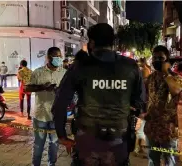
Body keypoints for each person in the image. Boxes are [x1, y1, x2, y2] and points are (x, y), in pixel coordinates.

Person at [51, 23, 145, 166]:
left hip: (87, 141)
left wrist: (62, 135)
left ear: (92, 42)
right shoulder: (131, 66)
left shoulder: (79, 67)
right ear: (112, 42)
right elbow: (140, 103)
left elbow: (60, 104)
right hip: (119, 141)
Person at [141, 45, 182, 166]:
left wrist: (166, 72)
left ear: (167, 59)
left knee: (169, 161)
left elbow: (175, 90)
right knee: (152, 160)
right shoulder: (150, 78)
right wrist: (142, 113)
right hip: (151, 128)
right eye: (154, 58)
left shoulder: (176, 78)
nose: (156, 61)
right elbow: (144, 99)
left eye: (160, 58)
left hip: (168, 130)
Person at [25, 47, 66, 166]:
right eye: (56, 57)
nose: (59, 59)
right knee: (38, 144)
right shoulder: (38, 72)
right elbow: (28, 88)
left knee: (54, 143)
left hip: (56, 116)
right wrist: (43, 87)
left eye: (60, 56)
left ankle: (51, 164)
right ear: (48, 58)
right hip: (40, 115)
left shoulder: (64, 73)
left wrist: (60, 91)